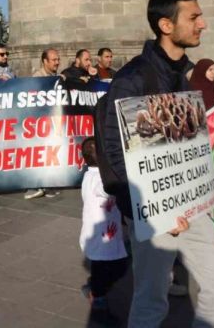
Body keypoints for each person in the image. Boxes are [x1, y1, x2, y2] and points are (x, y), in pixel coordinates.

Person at [101, 0, 214, 327]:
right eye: (193, 17)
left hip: (194, 204)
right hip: (154, 212)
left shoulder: (188, 75)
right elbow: (114, 151)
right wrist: (151, 212)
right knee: (151, 301)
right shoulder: (131, 78)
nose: (202, 24)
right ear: (165, 24)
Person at [79, 137, 127, 322]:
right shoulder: (97, 178)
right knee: (108, 269)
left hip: (107, 234)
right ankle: (97, 300)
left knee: (115, 266)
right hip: (101, 238)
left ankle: (94, 289)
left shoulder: (93, 175)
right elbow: (108, 189)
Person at [26, 48, 61, 199]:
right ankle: (35, 185)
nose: (57, 62)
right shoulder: (38, 77)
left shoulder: (56, 77)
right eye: (53, 60)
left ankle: (48, 184)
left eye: (58, 59)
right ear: (45, 61)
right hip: (39, 122)